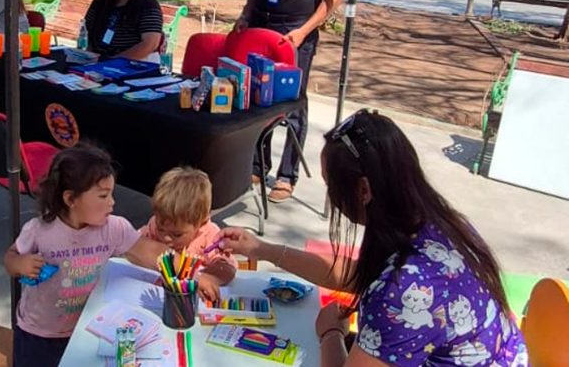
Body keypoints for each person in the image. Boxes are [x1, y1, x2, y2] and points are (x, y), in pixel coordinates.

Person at [219, 110, 529, 367]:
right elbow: (359, 274)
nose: (330, 196)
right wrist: (263, 249)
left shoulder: (402, 288)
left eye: (331, 185)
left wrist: (331, 335)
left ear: (364, 190)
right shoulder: (440, 223)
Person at [4, 144, 168, 367]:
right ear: (71, 199)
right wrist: (20, 263)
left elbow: (149, 252)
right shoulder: (39, 230)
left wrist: (197, 271)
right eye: (103, 196)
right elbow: (10, 259)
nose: (112, 202)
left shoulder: (113, 228)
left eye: (111, 194)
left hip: (85, 330)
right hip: (39, 335)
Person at [235, 0, 344, 202]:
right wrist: (244, 16)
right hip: (262, 26)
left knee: (292, 102)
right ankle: (258, 164)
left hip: (295, 32)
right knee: (258, 97)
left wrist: (304, 31)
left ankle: (287, 174)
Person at [139, 167, 236, 300]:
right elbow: (134, 243)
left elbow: (227, 268)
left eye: (177, 234)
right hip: (155, 298)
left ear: (201, 222)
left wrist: (206, 278)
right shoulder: (154, 224)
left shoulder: (209, 235)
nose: (166, 238)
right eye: (161, 229)